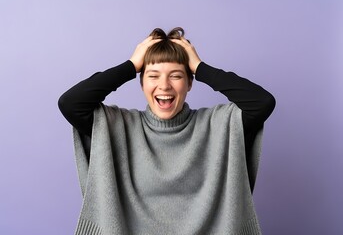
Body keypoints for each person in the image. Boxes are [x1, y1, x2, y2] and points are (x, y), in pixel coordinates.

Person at [58, 27, 275, 235]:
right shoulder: (118, 126)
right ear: (141, 83)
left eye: (176, 76)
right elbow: (71, 103)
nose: (164, 85)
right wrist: (131, 65)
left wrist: (199, 66)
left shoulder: (217, 125)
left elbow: (262, 102)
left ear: (190, 83)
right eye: (153, 75)